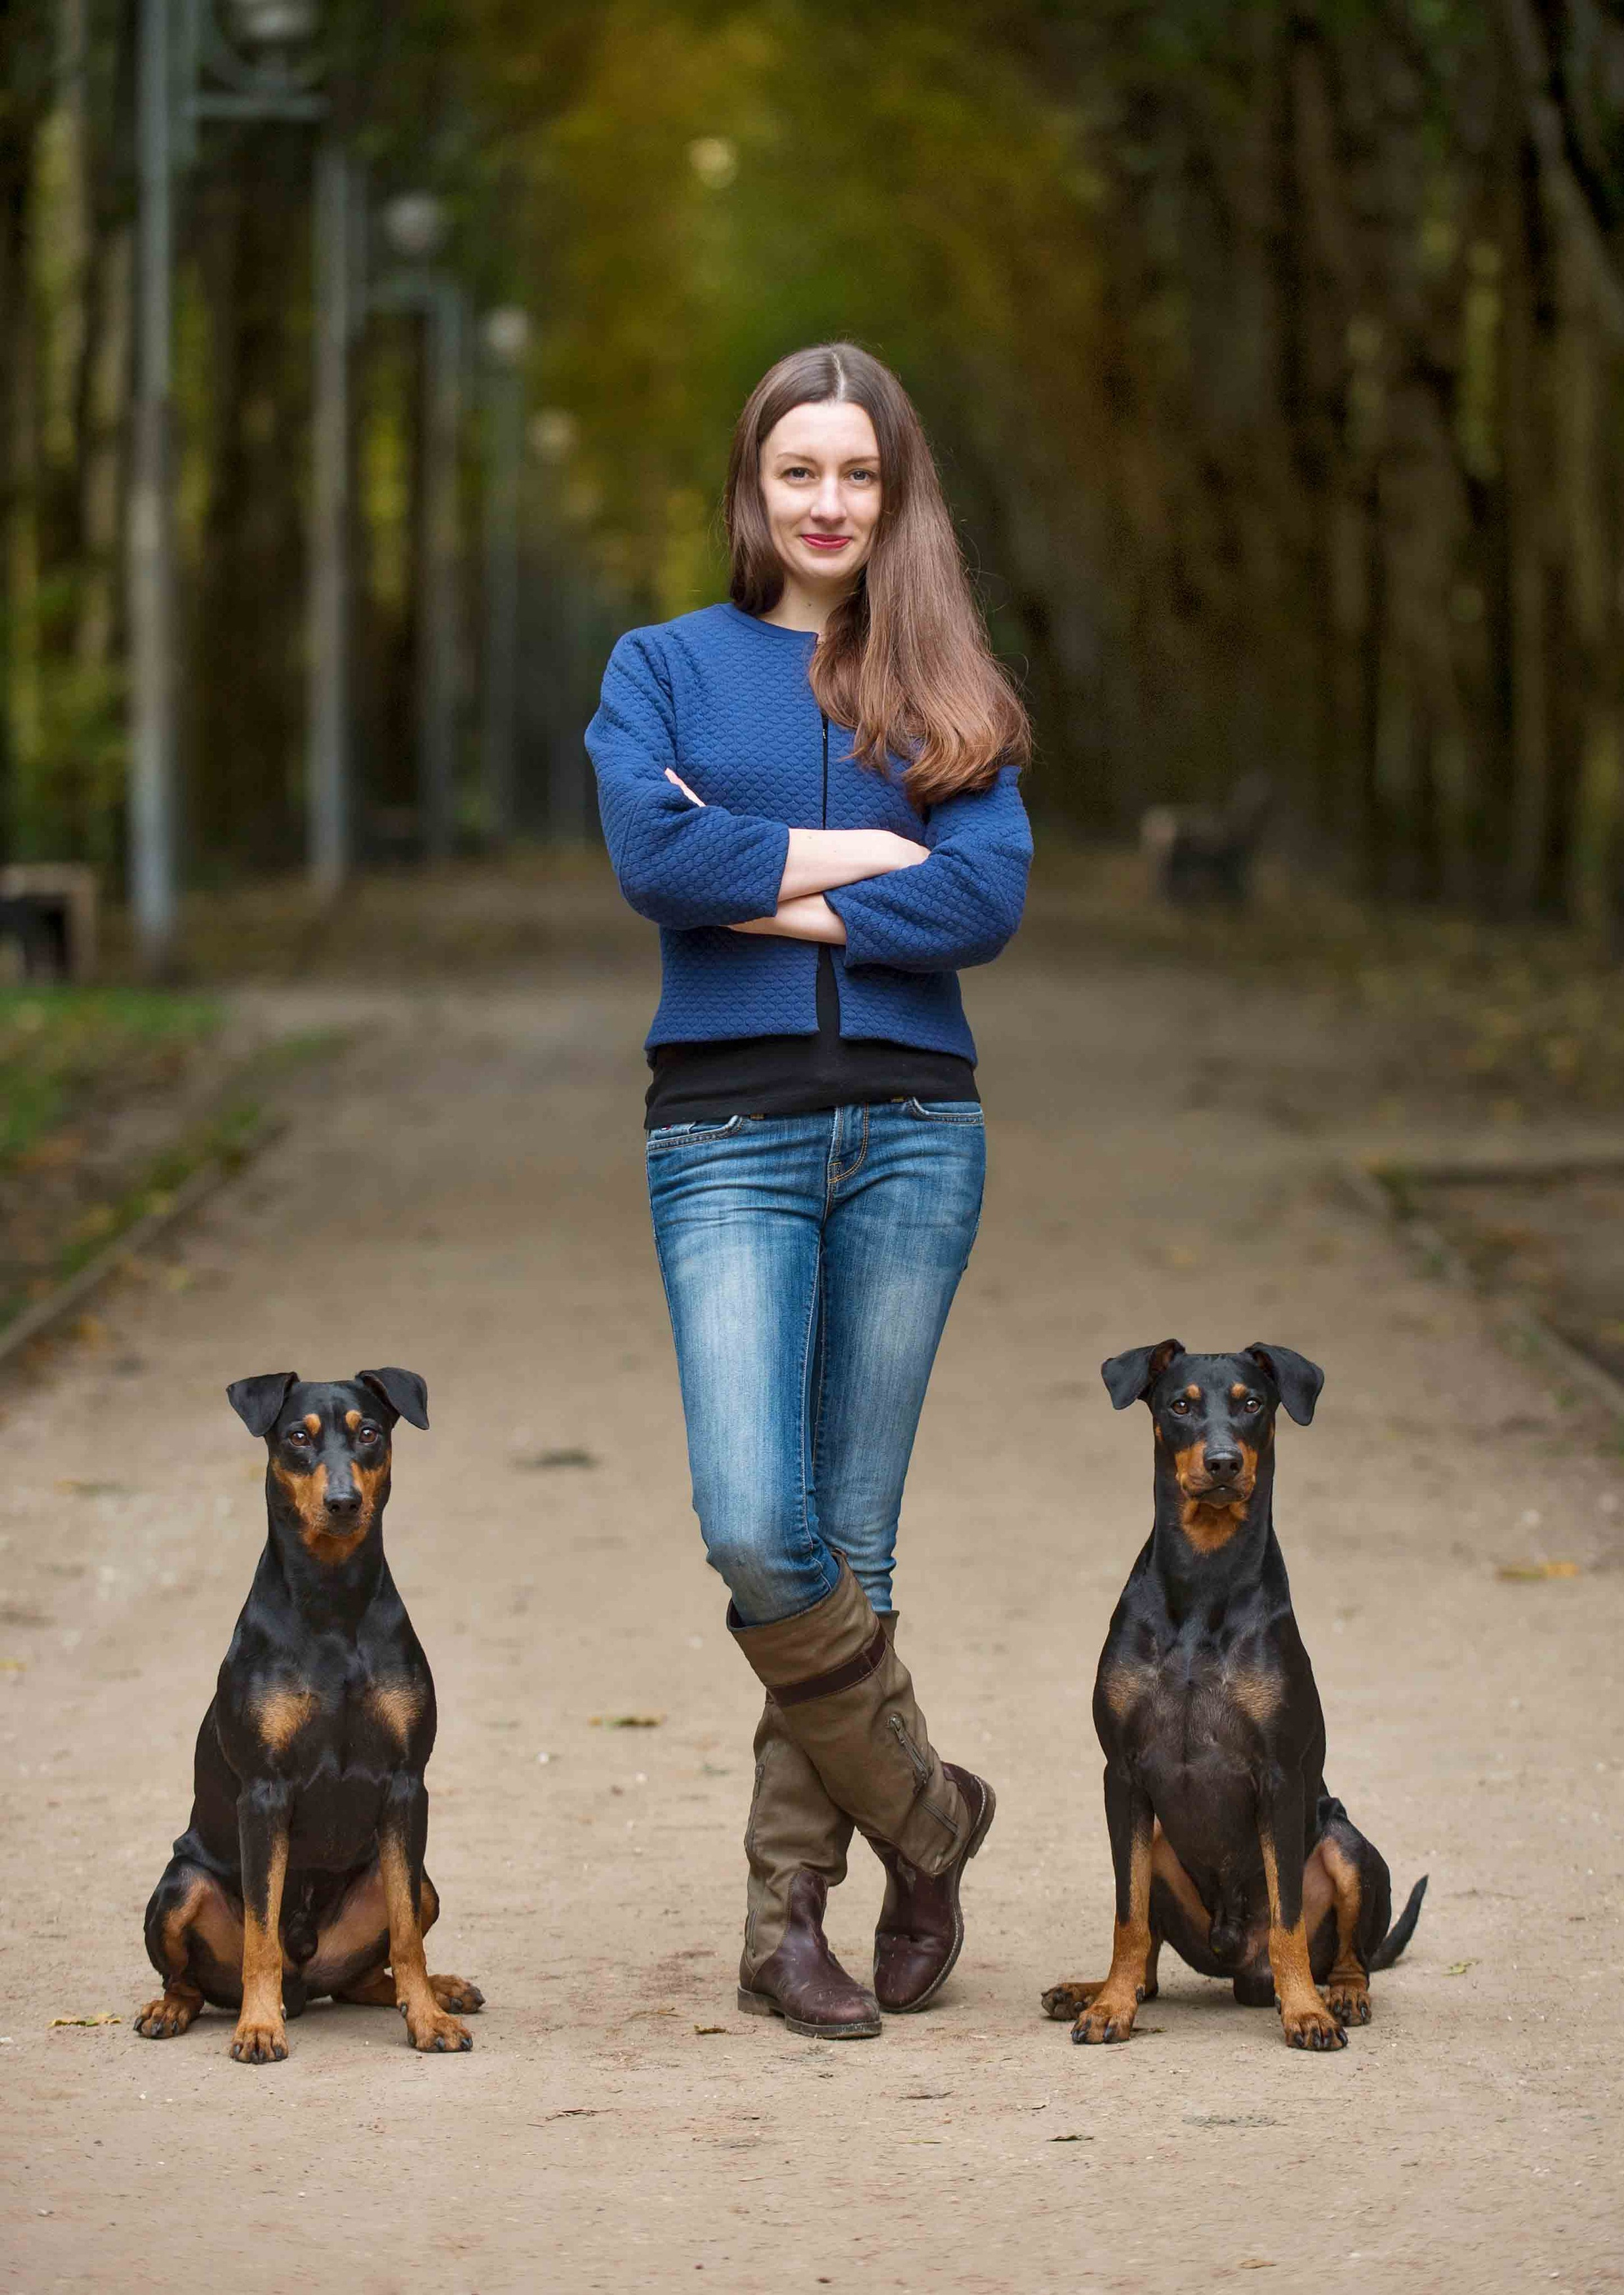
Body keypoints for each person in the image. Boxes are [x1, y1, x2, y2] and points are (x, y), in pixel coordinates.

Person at [585, 342, 1032, 2040]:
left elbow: (982, 900)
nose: (830, 503)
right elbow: (654, 861)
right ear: (751, 490)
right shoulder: (662, 668)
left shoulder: (947, 678)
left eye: (859, 474)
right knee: (760, 1524)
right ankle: (934, 1820)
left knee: (852, 1541)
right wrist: (871, 857)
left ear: (893, 491)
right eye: (800, 474)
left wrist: (756, 878)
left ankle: (788, 1923)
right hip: (725, 1135)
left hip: (920, 1131)